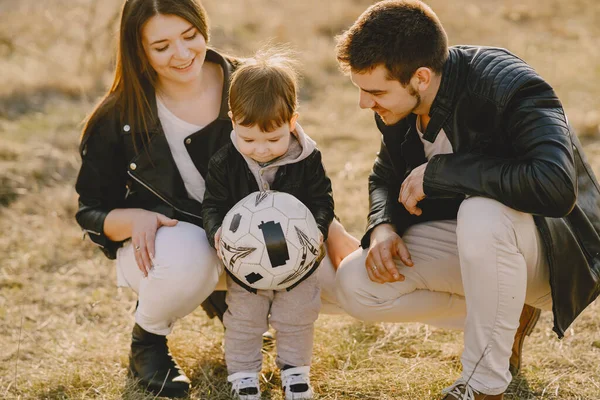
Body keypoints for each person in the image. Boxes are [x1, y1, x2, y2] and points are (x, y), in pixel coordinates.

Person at [74, 0, 358, 397]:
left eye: (190, 36)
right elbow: (90, 208)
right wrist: (134, 218)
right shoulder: (119, 115)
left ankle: (231, 303)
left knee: (338, 280)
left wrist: (333, 229)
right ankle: (148, 340)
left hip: (259, 234)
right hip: (173, 245)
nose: (183, 53)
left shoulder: (248, 79)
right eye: (162, 46)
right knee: (194, 255)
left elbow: (296, 162)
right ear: (138, 50)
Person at [333, 1, 600, 399]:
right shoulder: (396, 104)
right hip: (481, 249)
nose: (364, 103)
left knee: (482, 212)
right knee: (356, 284)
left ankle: (482, 384)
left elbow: (556, 186)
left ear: (420, 78)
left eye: (373, 91)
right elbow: (385, 175)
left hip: (556, 257)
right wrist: (383, 226)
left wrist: (443, 171)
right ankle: (505, 316)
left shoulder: (509, 86)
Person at [202, 49, 332, 400]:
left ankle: (296, 372)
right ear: (232, 120)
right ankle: (243, 375)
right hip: (248, 263)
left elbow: (322, 200)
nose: (260, 149)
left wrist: (318, 230)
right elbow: (213, 203)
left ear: (292, 121)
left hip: (298, 261)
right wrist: (216, 229)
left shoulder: (307, 158)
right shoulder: (225, 161)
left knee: (298, 315)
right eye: (249, 139)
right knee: (244, 318)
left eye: (273, 139)